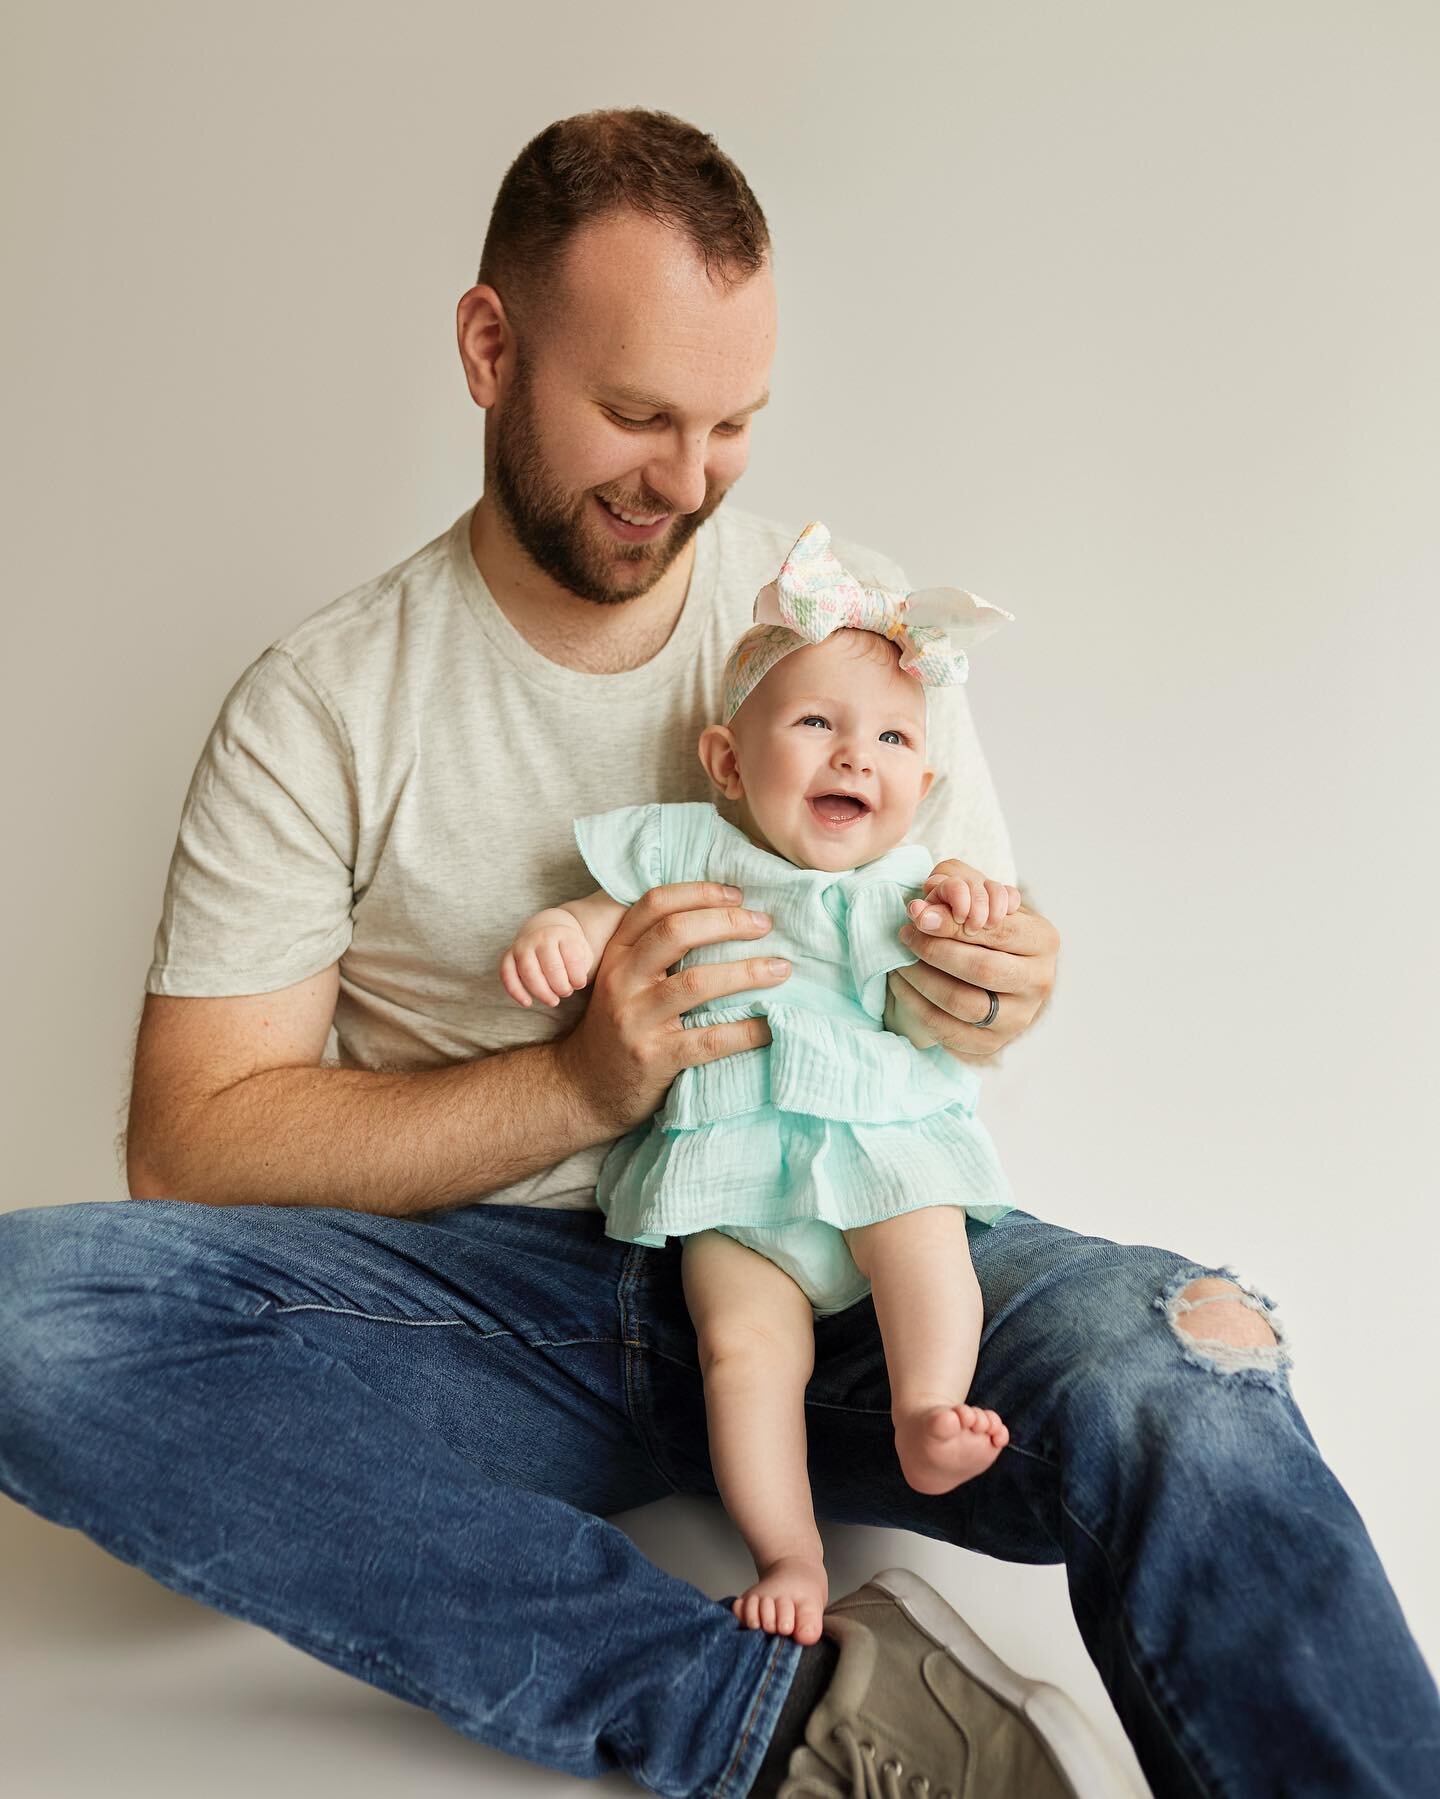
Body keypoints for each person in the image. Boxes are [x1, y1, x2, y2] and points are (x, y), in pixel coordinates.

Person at [0, 105, 1435, 1799]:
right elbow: (193, 1141)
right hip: (501, 1313)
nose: (685, 481)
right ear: (488, 347)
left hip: (843, 1246)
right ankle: (799, 1719)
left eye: (733, 423)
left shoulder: (846, 637)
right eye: (635, 414)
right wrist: (574, 1080)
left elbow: (932, 982)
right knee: (34, 1315)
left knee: (1190, 1351)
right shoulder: (323, 702)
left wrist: (989, 985)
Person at [500, 517, 1025, 1649]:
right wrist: (563, 932)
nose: (855, 755)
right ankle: (786, 1548)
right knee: (744, 1354)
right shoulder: (694, 849)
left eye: (890, 736)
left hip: (885, 1146)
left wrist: (980, 910)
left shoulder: (913, 878)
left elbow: (977, 948)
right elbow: (610, 913)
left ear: (921, 781)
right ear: (730, 762)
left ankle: (928, 1407)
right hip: (736, 1175)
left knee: (928, 1251)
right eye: (818, 723)